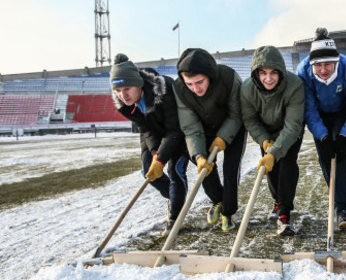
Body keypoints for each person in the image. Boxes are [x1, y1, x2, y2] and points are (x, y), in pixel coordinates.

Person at [110, 53, 189, 232]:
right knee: (149, 171)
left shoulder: (164, 88)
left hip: (177, 131)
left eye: (127, 89)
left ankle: (176, 217)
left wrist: (161, 159)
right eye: (118, 91)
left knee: (175, 171)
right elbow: (145, 129)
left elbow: (174, 129)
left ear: (138, 83)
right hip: (152, 132)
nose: (123, 95)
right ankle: (174, 197)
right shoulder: (124, 105)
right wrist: (155, 154)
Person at [173, 48, 247, 232]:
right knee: (204, 167)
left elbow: (236, 113)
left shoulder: (228, 77)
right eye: (190, 84)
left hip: (234, 125)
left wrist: (223, 138)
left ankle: (228, 212)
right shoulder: (180, 89)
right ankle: (217, 201)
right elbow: (190, 126)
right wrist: (198, 155)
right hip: (203, 128)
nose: (195, 88)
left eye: (200, 82)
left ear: (210, 75)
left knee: (230, 168)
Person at [297, 28, 346, 230]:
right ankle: (335, 199)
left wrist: (344, 136)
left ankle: (343, 210)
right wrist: (323, 137)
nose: (323, 69)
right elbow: (310, 110)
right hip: (320, 114)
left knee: (342, 156)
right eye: (318, 65)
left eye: (328, 64)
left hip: (342, 112)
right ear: (311, 63)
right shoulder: (303, 72)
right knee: (325, 155)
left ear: (337, 61)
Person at [241, 45, 305, 236]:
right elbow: (250, 119)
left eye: (273, 73)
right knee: (271, 168)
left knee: (286, 163)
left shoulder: (295, 85)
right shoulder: (247, 89)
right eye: (263, 73)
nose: (268, 78)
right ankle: (277, 200)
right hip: (266, 133)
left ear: (281, 72)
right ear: (256, 74)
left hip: (290, 130)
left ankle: (284, 213)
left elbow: (293, 125)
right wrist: (264, 141)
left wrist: (277, 149)